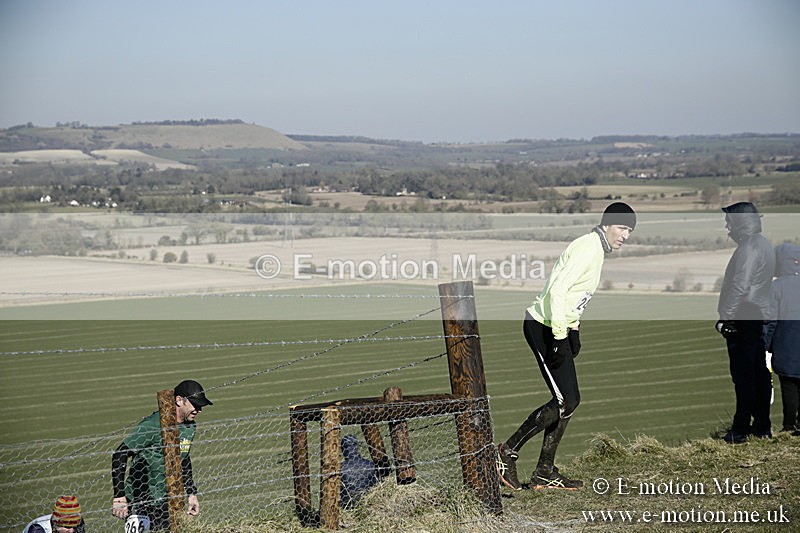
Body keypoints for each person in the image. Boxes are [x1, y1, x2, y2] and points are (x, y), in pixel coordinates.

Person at [495, 202, 636, 491]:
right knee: (563, 400)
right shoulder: (588, 248)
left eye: (630, 230)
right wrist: (560, 336)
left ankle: (545, 471)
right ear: (607, 224)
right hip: (543, 327)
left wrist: (574, 330)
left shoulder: (597, 250)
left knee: (570, 400)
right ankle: (505, 453)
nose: (625, 235)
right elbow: (557, 291)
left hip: (558, 326)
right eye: (622, 227)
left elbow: (574, 295)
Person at [111, 380, 213, 531]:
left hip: (168, 502)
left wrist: (191, 494)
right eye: (195, 404)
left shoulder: (189, 427)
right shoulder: (152, 425)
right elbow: (120, 454)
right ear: (179, 400)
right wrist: (119, 496)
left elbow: (183, 459)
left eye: (201, 406)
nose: (199, 410)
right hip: (140, 502)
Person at [715, 202, 775, 444]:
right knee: (759, 373)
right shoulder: (762, 244)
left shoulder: (749, 248)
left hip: (744, 314)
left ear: (740, 222)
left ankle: (740, 429)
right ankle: (762, 426)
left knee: (744, 375)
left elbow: (740, 285)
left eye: (730, 222)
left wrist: (726, 317)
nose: (727, 227)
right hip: (756, 314)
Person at [764, 243, 800, 434]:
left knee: (789, 384)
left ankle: (788, 425)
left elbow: (770, 320)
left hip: (786, 344)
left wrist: (766, 345)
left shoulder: (775, 287)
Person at [340, 434, 379, 508]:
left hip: (348, 506)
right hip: (369, 504)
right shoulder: (370, 465)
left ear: (342, 449)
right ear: (357, 446)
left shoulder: (339, 468)